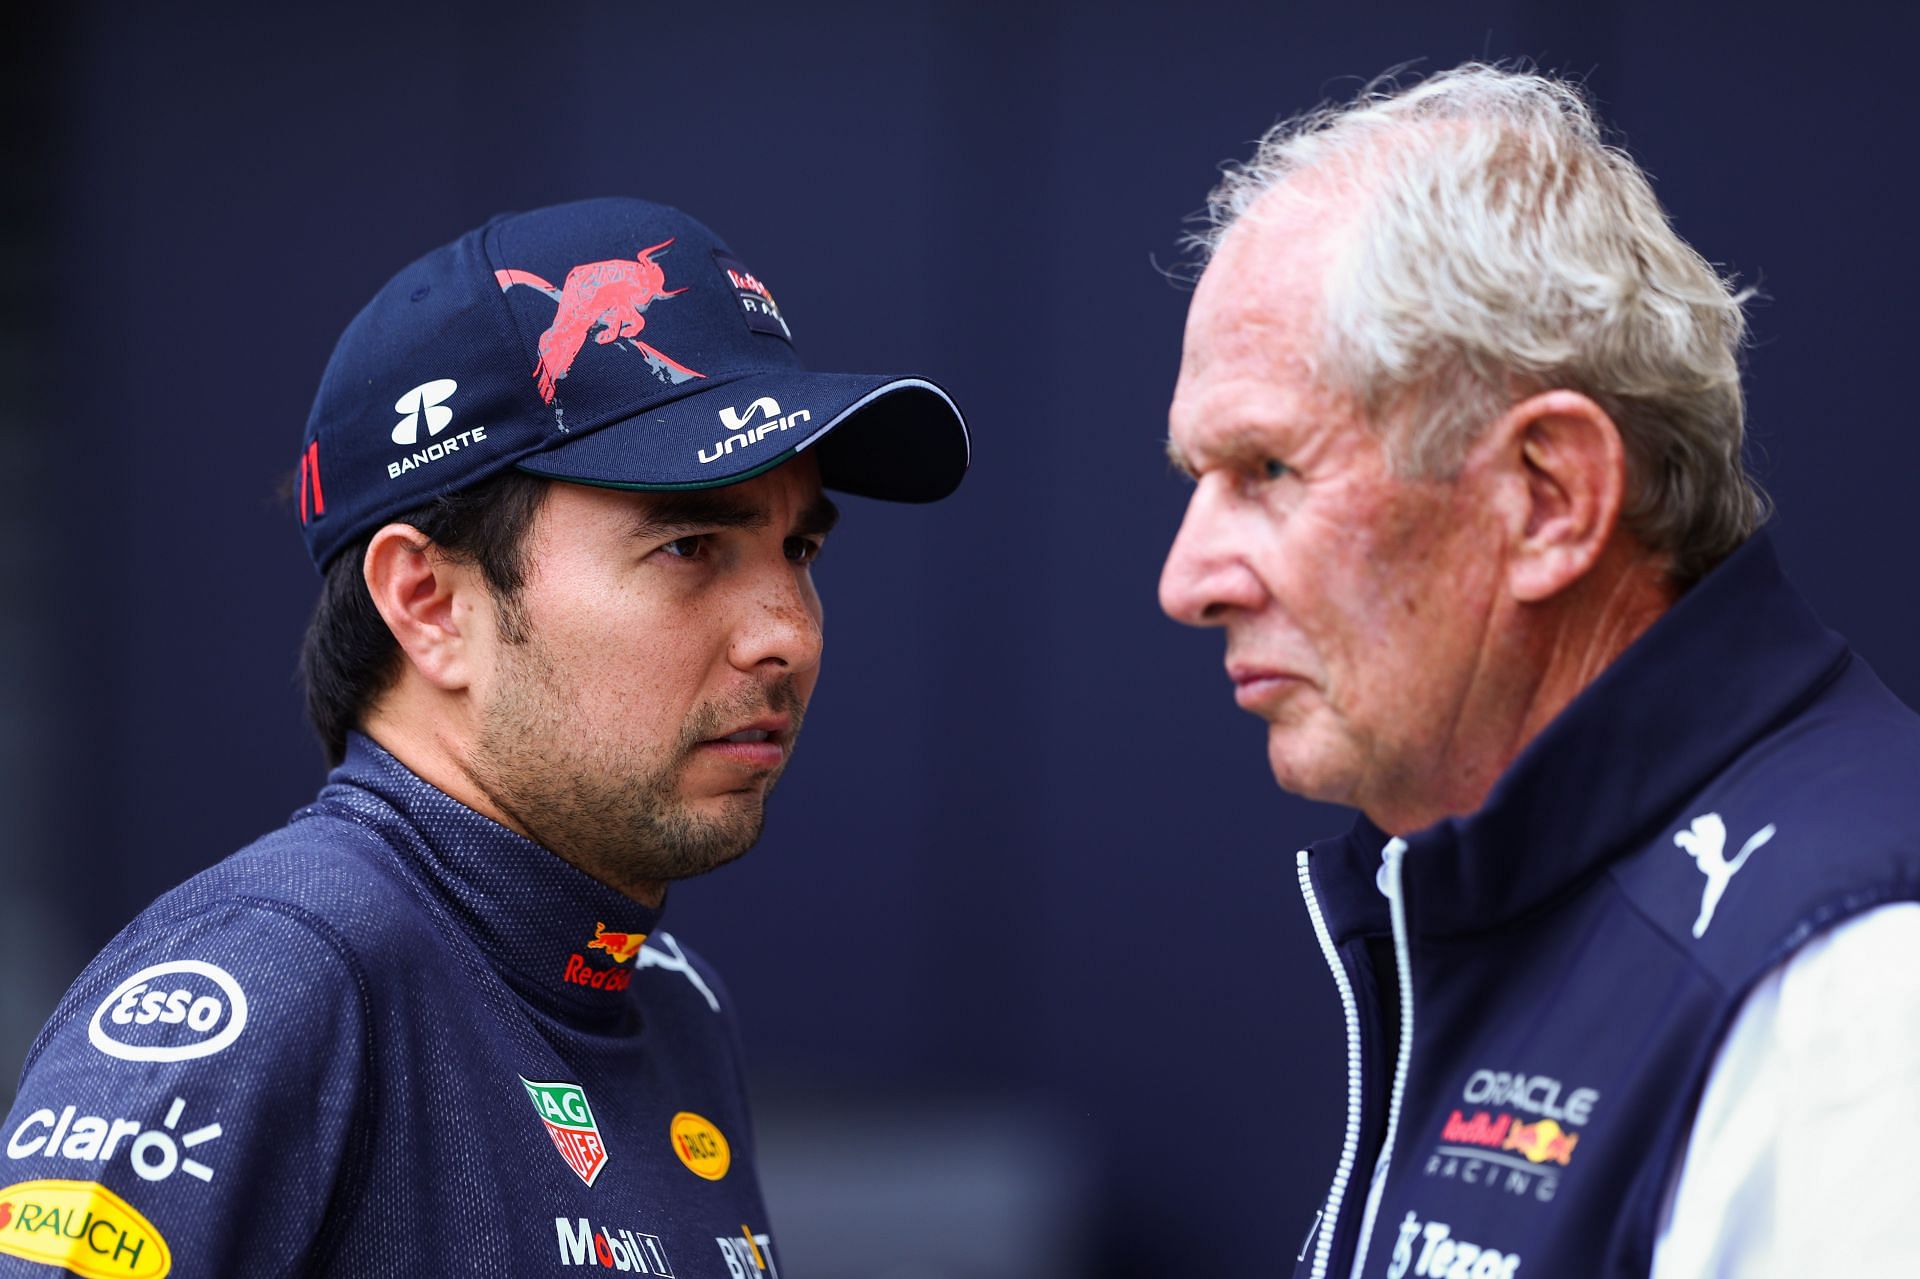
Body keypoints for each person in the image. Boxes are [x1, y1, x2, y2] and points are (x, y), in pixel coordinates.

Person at [0, 197, 968, 1276]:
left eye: (802, 551)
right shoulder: (270, 981)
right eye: (692, 545)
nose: (787, 633)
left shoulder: (667, 996)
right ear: (428, 603)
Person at [1158, 65, 1920, 1278]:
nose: (1188, 578)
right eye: (1196, 481)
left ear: (1550, 497)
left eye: (1268, 471)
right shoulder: (1493, 884)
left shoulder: (1856, 992)